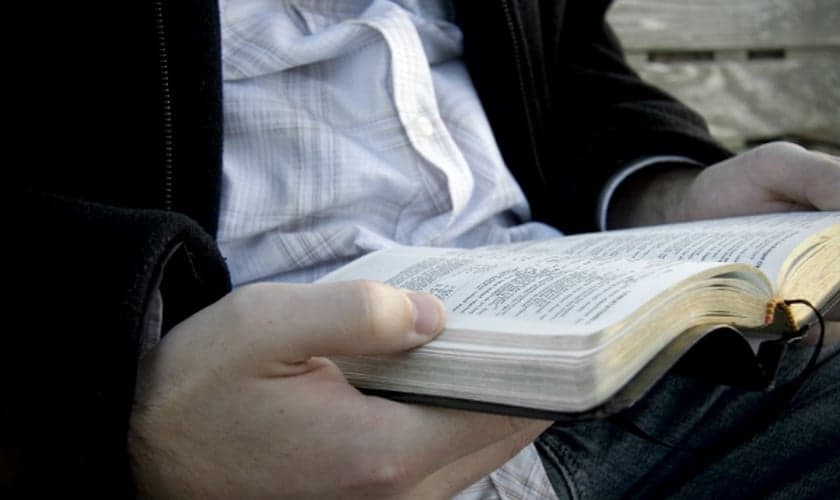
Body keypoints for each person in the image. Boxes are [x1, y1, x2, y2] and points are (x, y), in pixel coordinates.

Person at [4, 0, 838, 498]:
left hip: (640, 366)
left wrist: (671, 197)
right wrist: (116, 417)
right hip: (231, 441)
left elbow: (566, 57)